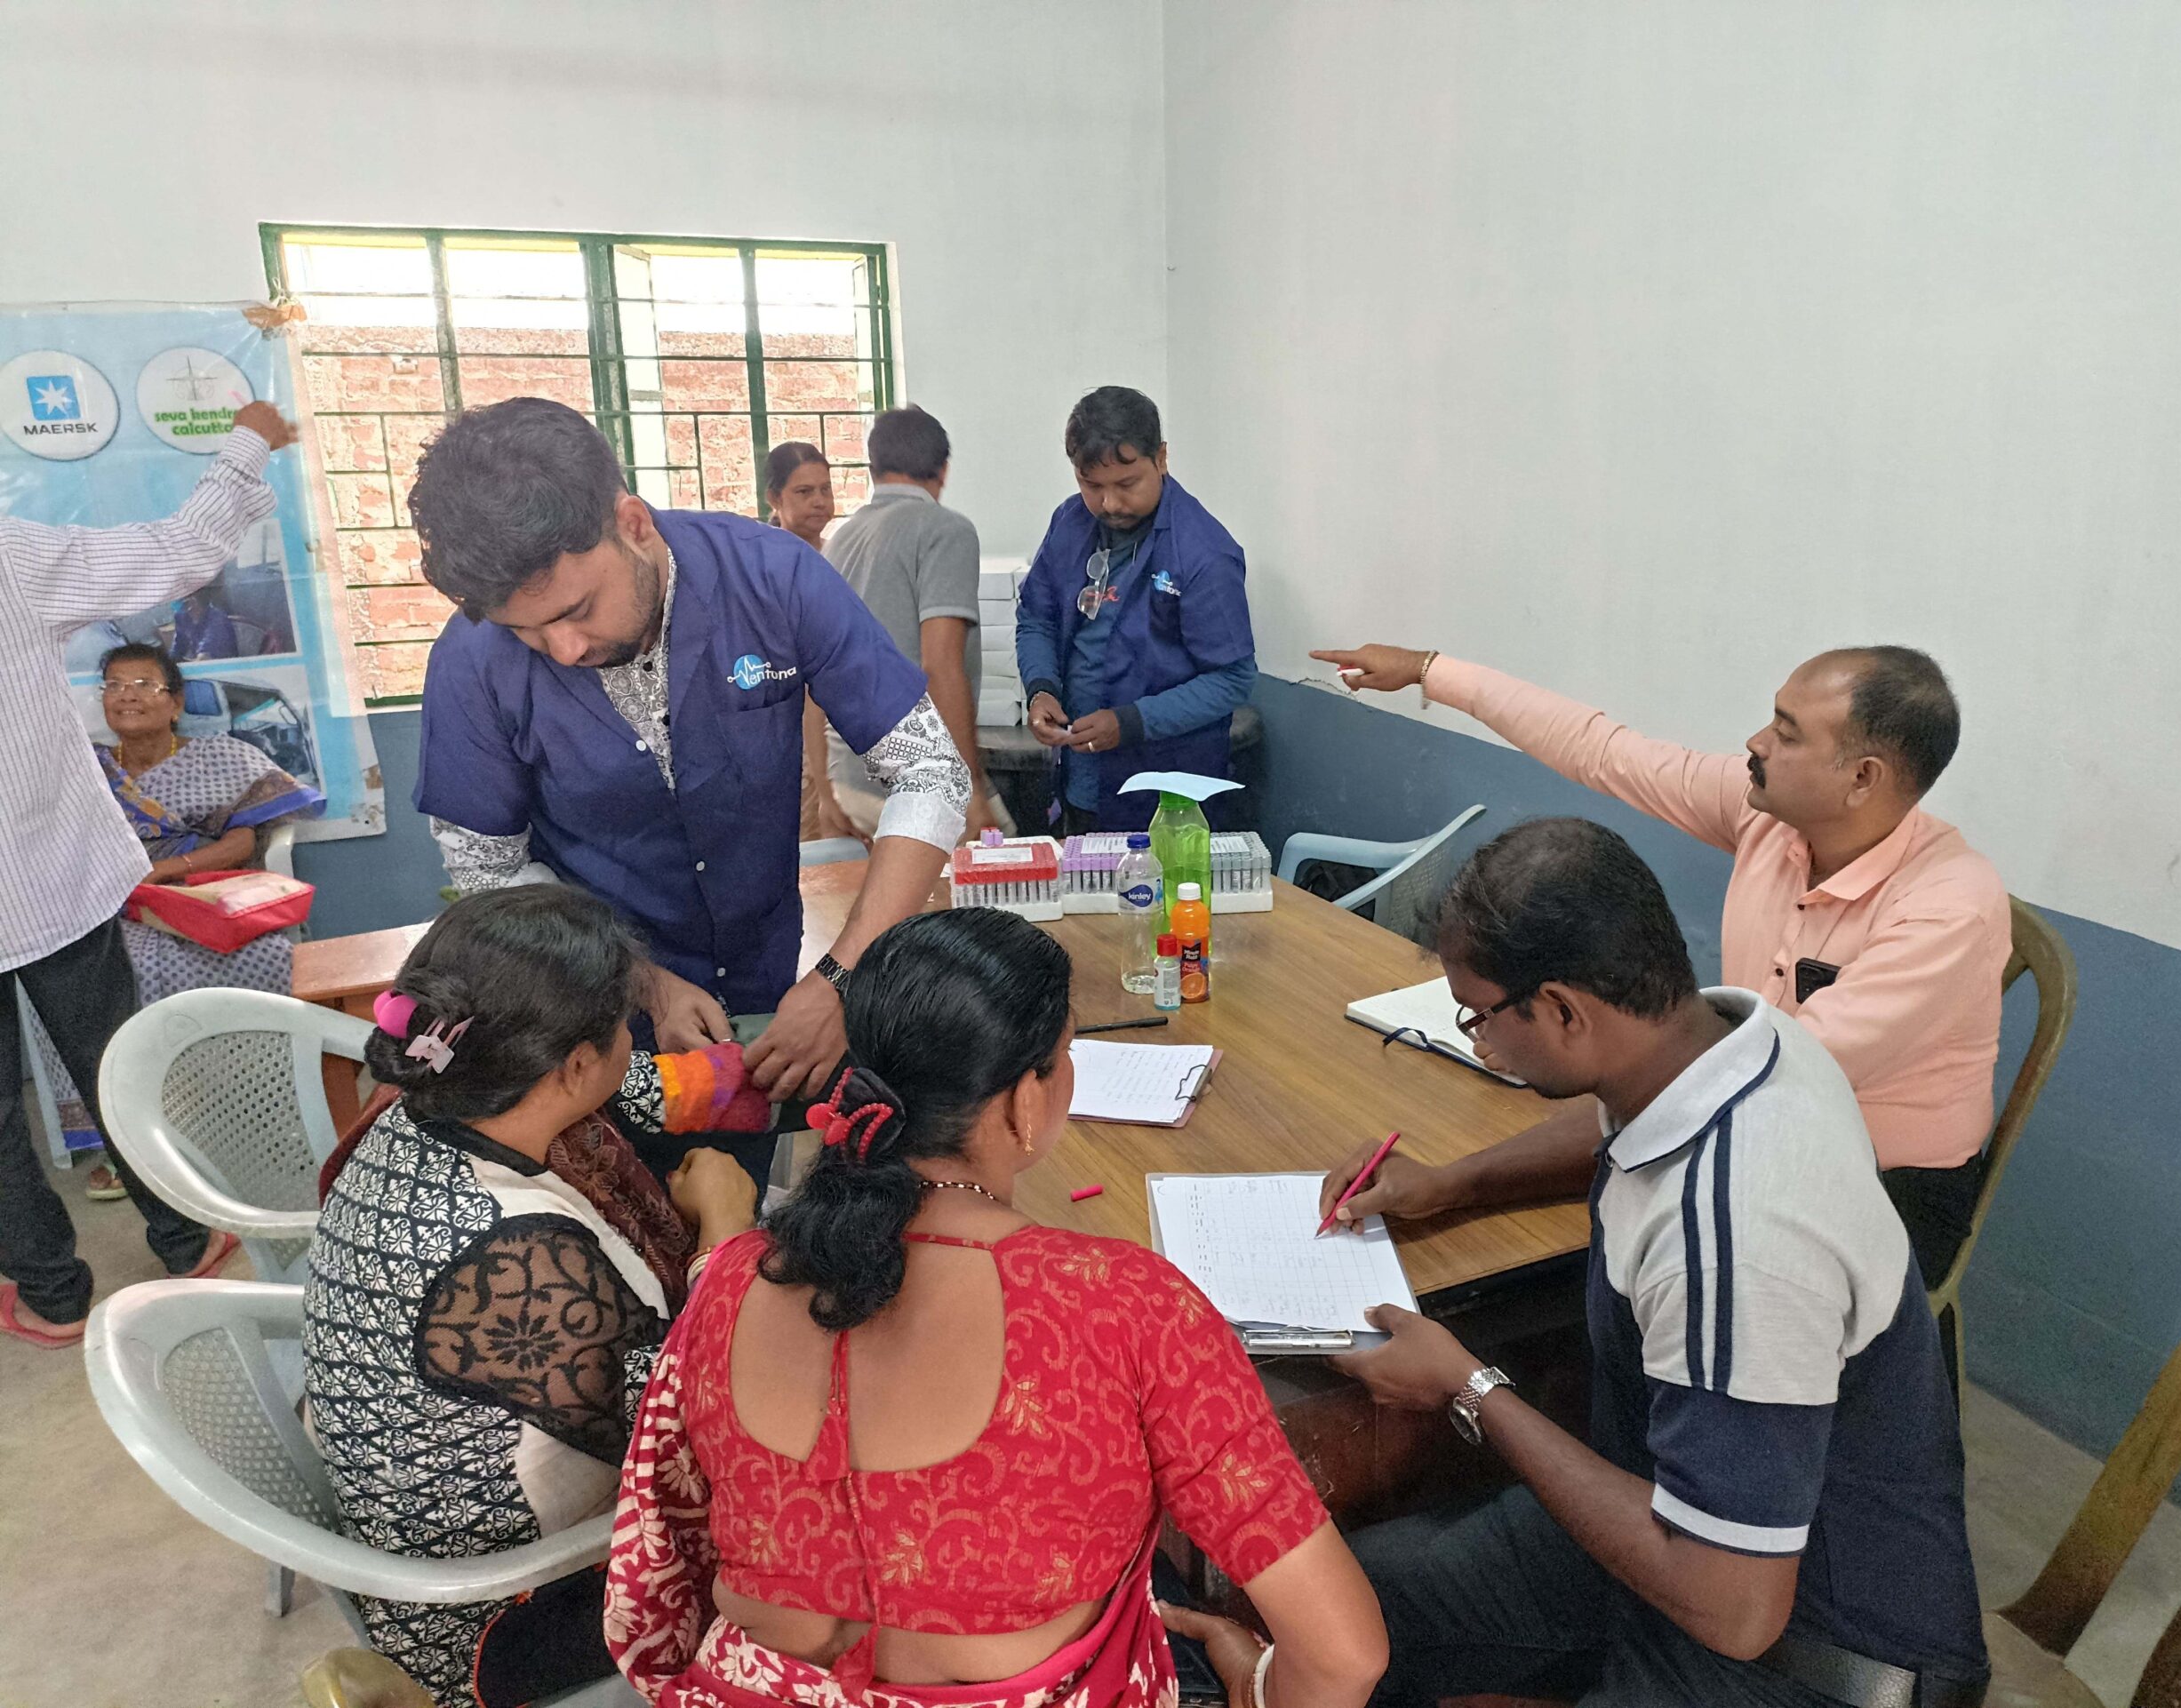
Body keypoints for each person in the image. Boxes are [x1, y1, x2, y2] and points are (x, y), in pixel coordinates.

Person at [606, 907, 1387, 1708]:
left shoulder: (732, 1281)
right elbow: (1343, 1658)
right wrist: (1256, 1688)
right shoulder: (1126, 1307)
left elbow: (662, 1585)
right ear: (1024, 1102)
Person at [1325, 818, 1987, 1707]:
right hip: (1672, 1515)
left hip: (1798, 1653)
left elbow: (1735, 1609)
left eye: (1478, 1016)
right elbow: (1617, 1122)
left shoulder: (1732, 1239)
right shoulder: (1739, 1041)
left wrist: (1470, 1386)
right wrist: (1452, 1183)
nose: (1477, 1040)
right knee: (1342, 1606)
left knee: (1355, 1624)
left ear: (1564, 1010)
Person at [1312, 641, 2009, 1286]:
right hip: (1737, 1114)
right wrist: (1431, 670)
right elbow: (1606, 752)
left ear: (1862, 777)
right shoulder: (1772, 820)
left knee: (1610, 1245)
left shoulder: (1949, 911)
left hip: (1881, 1186)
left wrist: (1541, 1057)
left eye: (1787, 733)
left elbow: (1755, 1076)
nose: (1756, 742)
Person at [410, 397, 972, 1094]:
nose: (565, 648)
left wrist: (840, 978)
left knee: (754, 1153)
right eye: (526, 632)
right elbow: (487, 871)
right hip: (582, 1028)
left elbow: (931, 773)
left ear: (633, 524)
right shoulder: (471, 661)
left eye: (577, 610)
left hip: (768, 994)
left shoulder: (772, 577)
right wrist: (643, 985)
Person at [305, 886, 771, 1708]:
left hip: (450, 1523)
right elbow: (698, 1429)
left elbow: (650, 1087)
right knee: (829, 1542)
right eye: (627, 1024)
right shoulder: (506, 1260)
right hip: (502, 1612)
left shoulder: (454, 1091)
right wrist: (724, 1230)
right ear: (578, 1064)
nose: (635, 1040)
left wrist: (810, 1069)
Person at [0, 399, 295, 1348]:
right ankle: (182, 1239)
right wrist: (247, 441)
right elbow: (180, 549)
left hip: (60, 884)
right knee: (114, 1066)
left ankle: (51, 1294)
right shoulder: (10, 557)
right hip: (53, 884)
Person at [63, 642, 324, 1199]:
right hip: (117, 903)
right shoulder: (84, 769)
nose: (127, 696)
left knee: (266, 956)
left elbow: (243, 841)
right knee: (95, 975)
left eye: (144, 685)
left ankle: (267, 1115)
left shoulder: (221, 756)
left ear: (176, 703)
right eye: (114, 685)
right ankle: (136, 1141)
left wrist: (168, 870)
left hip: (206, 892)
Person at [1016, 386, 1257, 832]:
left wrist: (1132, 722)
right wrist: (1041, 688)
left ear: (1161, 458)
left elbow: (1232, 679)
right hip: (1080, 779)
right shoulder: (1070, 523)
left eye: (1127, 485)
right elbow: (1036, 617)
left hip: (1167, 794)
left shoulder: (1203, 553)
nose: (1109, 504)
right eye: (1091, 485)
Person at [819, 406, 1007, 843]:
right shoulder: (946, 530)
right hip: (919, 783)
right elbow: (939, 664)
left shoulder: (840, 540)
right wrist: (969, 791)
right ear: (944, 469)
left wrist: (827, 791)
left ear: (873, 470)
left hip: (850, 777)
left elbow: (816, 676)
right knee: (1011, 870)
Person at [765, 441, 852, 845]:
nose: (819, 501)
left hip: (840, 732)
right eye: (804, 492)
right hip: (786, 733)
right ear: (774, 498)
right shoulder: (764, 565)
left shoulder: (839, 557)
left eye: (825, 489)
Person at [167, 585, 240, 659]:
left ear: (194, 601)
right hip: (199, 663)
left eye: (184, 603)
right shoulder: (182, 617)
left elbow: (204, 657)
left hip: (223, 665)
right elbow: (177, 650)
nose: (181, 609)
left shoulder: (217, 620)